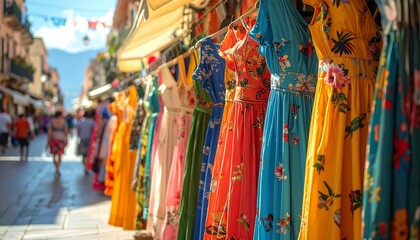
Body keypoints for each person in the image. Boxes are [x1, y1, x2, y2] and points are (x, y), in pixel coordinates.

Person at [48, 111, 69, 176]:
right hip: (61, 139)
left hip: (54, 139)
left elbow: (49, 132)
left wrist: (49, 140)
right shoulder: (64, 122)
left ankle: (56, 168)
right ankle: (58, 168)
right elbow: (66, 132)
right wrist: (66, 139)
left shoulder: (52, 121)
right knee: (60, 154)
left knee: (54, 155)